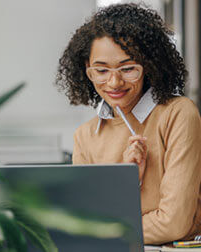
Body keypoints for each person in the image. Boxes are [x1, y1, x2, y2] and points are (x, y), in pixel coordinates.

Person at [55, 3, 201, 245]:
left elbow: (174, 223)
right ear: (87, 71)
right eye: (101, 70)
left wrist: (100, 229)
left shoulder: (178, 114)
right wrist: (127, 178)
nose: (114, 82)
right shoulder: (85, 136)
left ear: (150, 65)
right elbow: (84, 221)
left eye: (128, 68)